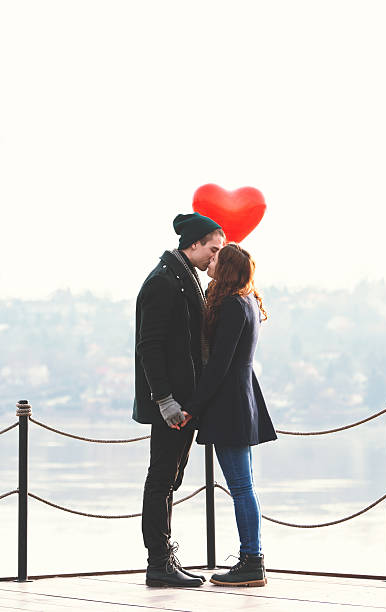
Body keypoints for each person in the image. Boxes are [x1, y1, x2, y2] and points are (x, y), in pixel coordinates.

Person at [133, 212, 225, 587]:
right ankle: (158, 563)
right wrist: (165, 400)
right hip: (172, 405)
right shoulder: (163, 282)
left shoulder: (182, 278)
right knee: (161, 479)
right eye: (213, 249)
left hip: (184, 402)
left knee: (170, 478)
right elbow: (149, 346)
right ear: (194, 244)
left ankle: (163, 558)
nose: (215, 258)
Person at [182, 243, 277, 587]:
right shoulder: (247, 300)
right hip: (242, 397)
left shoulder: (234, 305)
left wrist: (193, 407)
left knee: (240, 487)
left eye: (217, 257)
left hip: (230, 403)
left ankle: (252, 561)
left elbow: (219, 364)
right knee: (244, 485)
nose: (211, 259)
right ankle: (252, 558)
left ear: (227, 268)